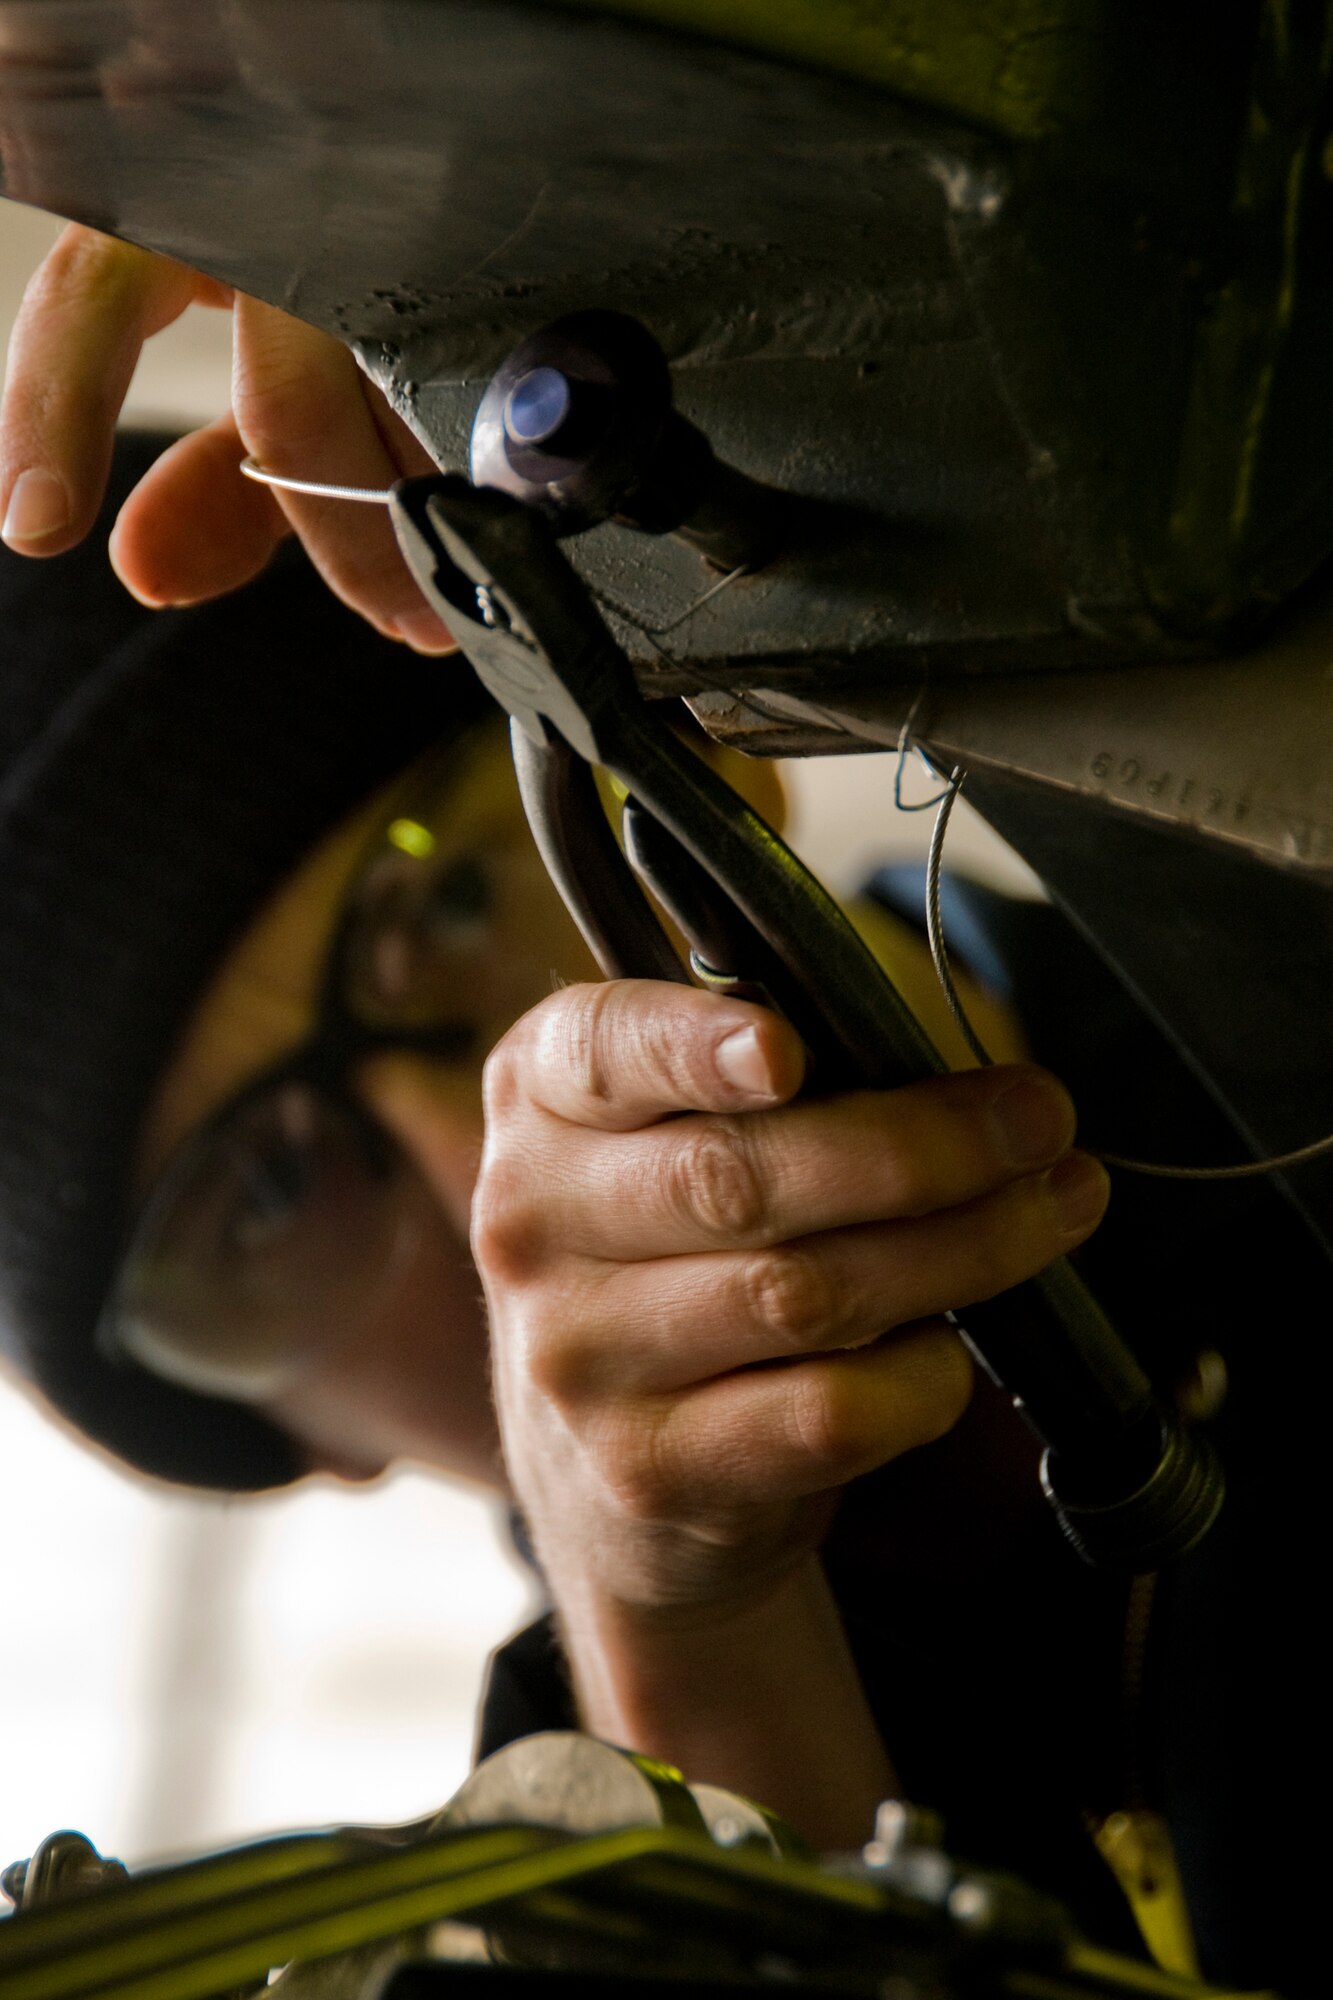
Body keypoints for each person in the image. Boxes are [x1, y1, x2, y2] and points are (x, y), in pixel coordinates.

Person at [0, 225, 1325, 1994]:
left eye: (444, 906)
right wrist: (686, 1656)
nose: (486, 1162)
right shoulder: (545, 1879)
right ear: (294, 1442)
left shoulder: (1288, 908)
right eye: (260, 1204)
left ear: (715, 757)